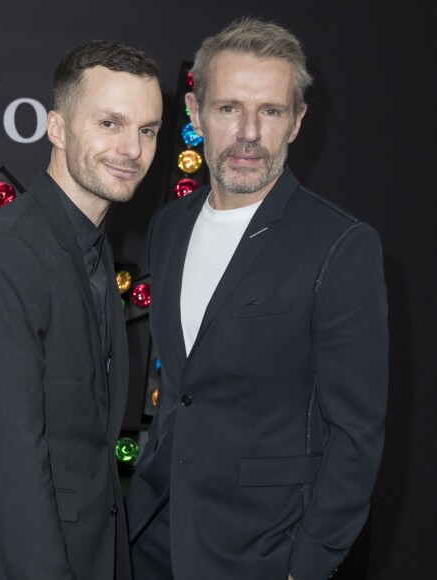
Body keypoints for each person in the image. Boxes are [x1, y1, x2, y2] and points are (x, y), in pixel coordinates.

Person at [126, 17, 388, 580]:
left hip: (262, 550)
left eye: (269, 111)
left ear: (296, 122)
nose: (248, 132)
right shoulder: (168, 225)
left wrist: (307, 564)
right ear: (195, 115)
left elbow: (357, 435)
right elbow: (183, 389)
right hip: (151, 531)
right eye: (228, 108)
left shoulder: (340, 244)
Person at [0, 40, 162, 580]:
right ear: (56, 128)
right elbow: (15, 465)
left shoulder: (92, 250)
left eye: (146, 130)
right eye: (109, 123)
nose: (131, 148)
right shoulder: (6, 251)